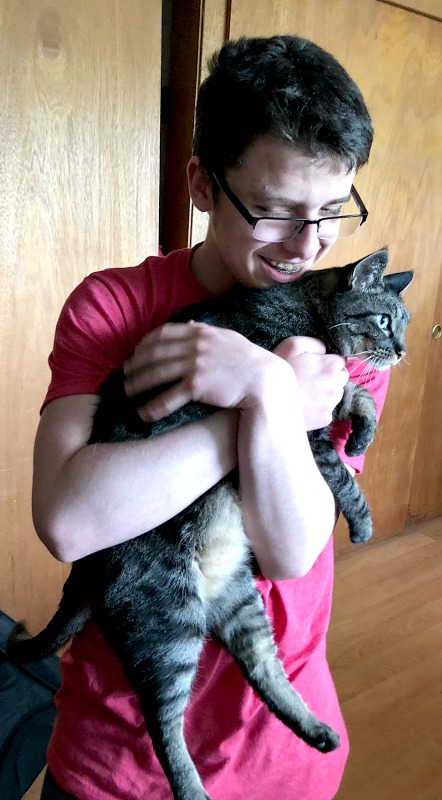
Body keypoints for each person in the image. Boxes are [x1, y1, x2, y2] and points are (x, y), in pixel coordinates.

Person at [34, 35, 389, 800]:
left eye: (332, 212)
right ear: (201, 184)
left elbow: (291, 550)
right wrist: (264, 404)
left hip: (281, 764)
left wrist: (261, 381)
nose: (309, 245)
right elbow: (69, 519)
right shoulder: (116, 306)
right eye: (274, 212)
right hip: (115, 764)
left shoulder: (345, 335)